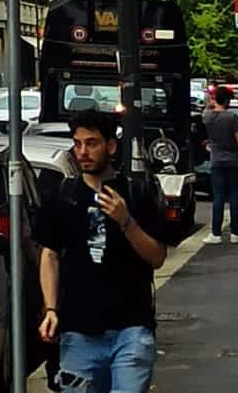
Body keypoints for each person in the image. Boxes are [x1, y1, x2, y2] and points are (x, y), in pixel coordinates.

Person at [33, 106, 166, 393]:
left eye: (91, 143)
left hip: (131, 328)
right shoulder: (62, 197)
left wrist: (126, 221)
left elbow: (157, 257)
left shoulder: (136, 193)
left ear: (111, 146)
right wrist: (51, 308)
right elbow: (50, 254)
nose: (82, 152)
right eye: (77, 143)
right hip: (78, 332)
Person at [202, 82, 238, 243]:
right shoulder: (232, 117)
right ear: (227, 100)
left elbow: (207, 108)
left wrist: (211, 101)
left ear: (215, 99)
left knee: (218, 196)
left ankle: (216, 234)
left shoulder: (208, 117)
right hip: (234, 160)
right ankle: (235, 233)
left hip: (217, 160)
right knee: (234, 196)